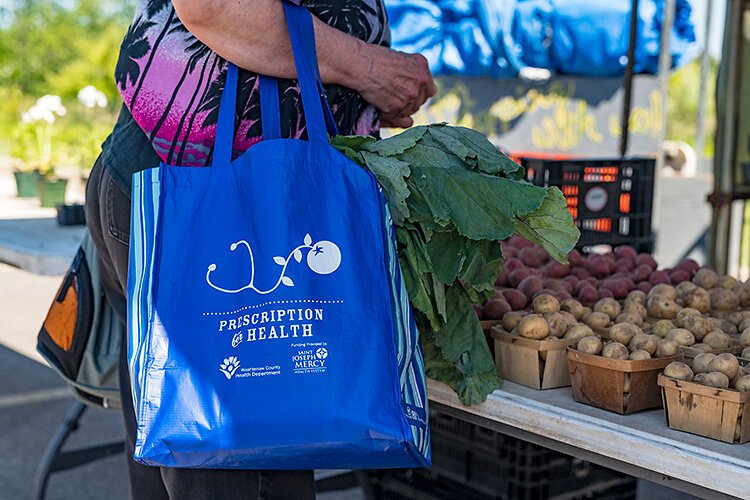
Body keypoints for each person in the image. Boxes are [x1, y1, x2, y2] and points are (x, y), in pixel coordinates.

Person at [84, 0, 435, 498]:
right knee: (244, 464)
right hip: (228, 210)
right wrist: (369, 68)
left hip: (194, 192)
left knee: (186, 445)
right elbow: (215, 6)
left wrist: (360, 91)